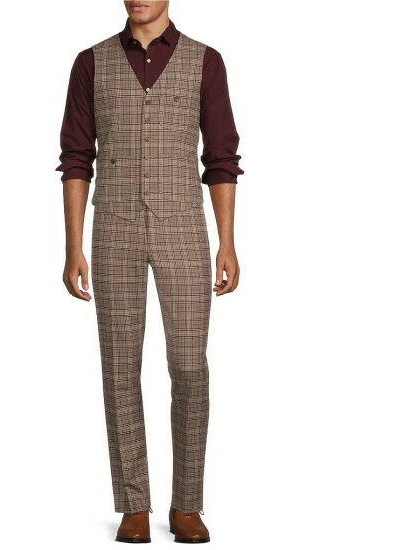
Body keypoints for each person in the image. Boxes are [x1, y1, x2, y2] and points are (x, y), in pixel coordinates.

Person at [55, 0, 243, 543]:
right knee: (119, 368)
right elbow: (76, 157)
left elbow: (221, 158)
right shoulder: (90, 63)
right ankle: (133, 502)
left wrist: (227, 243)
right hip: (113, 229)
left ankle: (187, 503)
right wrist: (73, 246)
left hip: (183, 228)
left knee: (189, 367)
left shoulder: (206, 61)